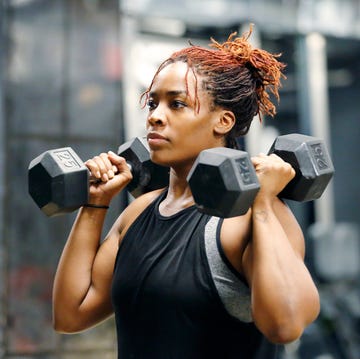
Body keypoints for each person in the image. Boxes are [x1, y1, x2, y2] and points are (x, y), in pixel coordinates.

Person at [52, 26, 320, 358]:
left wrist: (264, 203)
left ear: (222, 121)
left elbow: (286, 325)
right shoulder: (138, 212)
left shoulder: (248, 216)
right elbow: (70, 314)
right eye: (153, 103)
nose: (155, 118)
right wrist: (95, 204)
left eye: (176, 104)